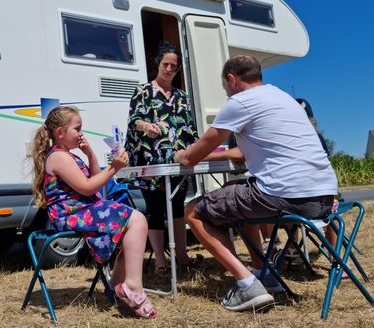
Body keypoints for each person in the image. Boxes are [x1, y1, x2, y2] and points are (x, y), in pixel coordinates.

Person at [176, 55, 338, 312]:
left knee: (193, 211)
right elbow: (242, 153)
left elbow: (190, 157)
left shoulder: (239, 102)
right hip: (324, 199)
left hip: (285, 197)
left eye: (224, 85)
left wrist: (181, 154)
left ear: (231, 79)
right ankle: (264, 274)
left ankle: (247, 284)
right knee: (237, 196)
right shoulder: (284, 98)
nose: (226, 91)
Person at [31, 106, 157, 319]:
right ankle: (132, 287)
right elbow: (88, 187)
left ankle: (118, 285)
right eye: (77, 128)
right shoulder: (59, 158)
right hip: (71, 215)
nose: (81, 133)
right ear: (60, 133)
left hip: (83, 210)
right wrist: (114, 169)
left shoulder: (68, 155)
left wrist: (89, 153)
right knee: (136, 219)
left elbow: (94, 177)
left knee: (133, 226)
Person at [125, 42, 201, 275]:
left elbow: (189, 126)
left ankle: (182, 256)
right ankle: (160, 261)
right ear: (157, 63)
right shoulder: (143, 91)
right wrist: (146, 125)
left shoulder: (181, 96)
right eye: (165, 64)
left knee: (177, 206)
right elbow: (133, 121)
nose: (169, 69)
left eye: (174, 66)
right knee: (155, 208)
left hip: (177, 161)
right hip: (151, 161)